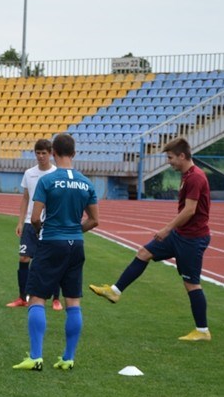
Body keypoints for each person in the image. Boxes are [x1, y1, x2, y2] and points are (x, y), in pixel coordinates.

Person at [90, 138, 212, 341]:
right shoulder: (187, 175)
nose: (169, 162)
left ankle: (202, 331)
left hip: (192, 238)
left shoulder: (196, 178)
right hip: (180, 235)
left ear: (182, 156)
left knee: (192, 284)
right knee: (144, 252)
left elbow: (190, 210)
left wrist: (166, 229)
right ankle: (115, 291)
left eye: (171, 158)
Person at [13, 133, 98, 371]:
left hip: (51, 242)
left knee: (36, 298)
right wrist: (74, 230)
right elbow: (94, 220)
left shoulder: (48, 181)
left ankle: (35, 356)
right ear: (74, 153)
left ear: (53, 153)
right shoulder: (86, 182)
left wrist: (44, 233)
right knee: (73, 301)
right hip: (76, 244)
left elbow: (36, 217)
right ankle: (68, 358)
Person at [7, 138, 63, 311]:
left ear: (51, 154)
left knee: (51, 261)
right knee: (24, 258)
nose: (40, 157)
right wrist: (20, 221)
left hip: (49, 224)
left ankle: (55, 298)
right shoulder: (29, 173)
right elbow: (25, 198)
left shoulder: (56, 173)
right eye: (38, 153)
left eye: (44, 153)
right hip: (29, 223)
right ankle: (22, 297)